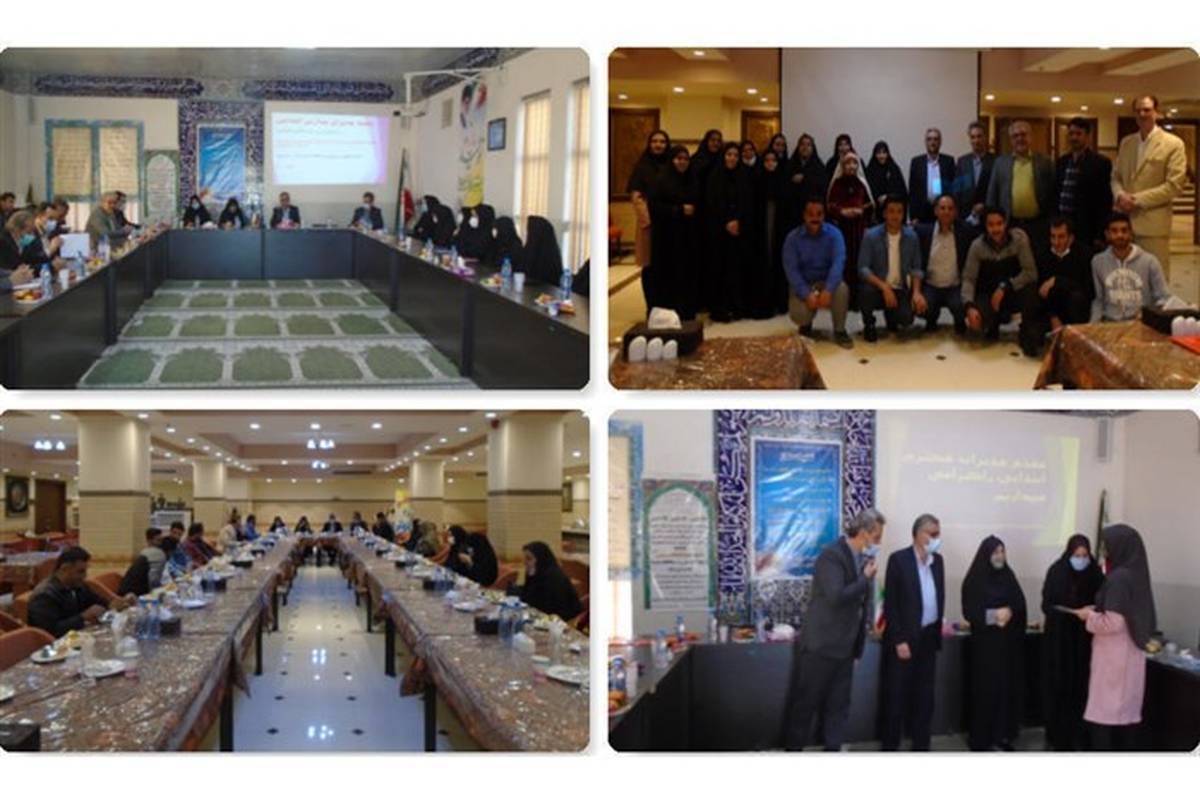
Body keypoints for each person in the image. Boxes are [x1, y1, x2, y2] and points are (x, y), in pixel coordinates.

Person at [783, 509, 883, 751]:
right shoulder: (832, 556)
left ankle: (833, 750)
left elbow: (859, 605)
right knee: (805, 706)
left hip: (845, 649)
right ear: (863, 533)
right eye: (877, 537)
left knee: (838, 708)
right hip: (821, 647)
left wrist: (858, 646)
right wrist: (864, 579)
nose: (879, 543)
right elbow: (836, 597)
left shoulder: (862, 560)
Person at [1077, 524, 1156, 751]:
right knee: (1125, 721)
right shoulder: (1137, 574)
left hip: (1113, 659)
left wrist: (1089, 616)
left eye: (1107, 545)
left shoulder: (1119, 578)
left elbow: (1112, 622)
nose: (1104, 551)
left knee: (1104, 719)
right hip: (1131, 654)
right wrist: (1097, 610)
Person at [881, 513, 946, 751]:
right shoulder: (899, 560)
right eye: (932, 534)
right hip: (905, 640)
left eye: (938, 534)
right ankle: (890, 747)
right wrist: (899, 639)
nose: (937, 538)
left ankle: (921, 746)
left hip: (928, 638)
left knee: (925, 698)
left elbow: (938, 595)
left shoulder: (938, 561)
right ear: (918, 534)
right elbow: (891, 605)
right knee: (897, 697)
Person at [962, 535, 1027, 751]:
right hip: (985, 648)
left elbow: (1020, 604)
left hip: (1007, 646)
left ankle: (1003, 736)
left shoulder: (1008, 576)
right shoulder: (974, 579)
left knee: (1005, 691)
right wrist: (993, 616)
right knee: (985, 691)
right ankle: (983, 739)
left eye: (1002, 551)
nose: (1000, 556)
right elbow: (970, 611)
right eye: (995, 552)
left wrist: (1010, 612)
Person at [1110, 95, 1187, 278]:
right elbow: (1115, 177)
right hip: (1124, 226)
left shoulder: (1173, 144)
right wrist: (1120, 195)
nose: (1142, 114)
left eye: (1147, 110)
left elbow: (1174, 186)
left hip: (1153, 227)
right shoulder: (1127, 142)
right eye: (1138, 111)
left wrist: (1135, 200)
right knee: (1128, 279)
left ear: (1157, 112)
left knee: (1155, 279)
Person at [1040, 533, 1105, 751]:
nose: (1081, 560)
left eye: (1085, 555)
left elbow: (1105, 603)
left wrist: (1091, 610)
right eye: (1077, 555)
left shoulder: (1096, 574)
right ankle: (1058, 735)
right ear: (1069, 554)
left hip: (1086, 641)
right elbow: (1047, 604)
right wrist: (1071, 612)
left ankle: (1082, 736)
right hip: (1060, 641)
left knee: (1083, 687)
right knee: (1060, 686)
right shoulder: (1056, 571)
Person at [962, 207, 1042, 357]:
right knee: (978, 322)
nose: (996, 229)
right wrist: (969, 306)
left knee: (1031, 291)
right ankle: (993, 324)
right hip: (988, 294)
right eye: (991, 224)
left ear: (1006, 223)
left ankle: (1027, 332)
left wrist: (1006, 286)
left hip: (1013, 291)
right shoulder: (976, 246)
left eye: (999, 223)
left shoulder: (1019, 240)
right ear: (985, 226)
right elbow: (969, 279)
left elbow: (1031, 273)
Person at [783, 197, 853, 348]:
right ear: (804, 215)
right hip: (805, 283)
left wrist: (828, 290)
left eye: (819, 214)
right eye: (810, 214)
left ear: (824, 215)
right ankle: (806, 325)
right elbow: (791, 271)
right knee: (799, 315)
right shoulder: (792, 239)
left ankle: (840, 330)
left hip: (827, 282)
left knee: (842, 289)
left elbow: (838, 264)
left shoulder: (835, 235)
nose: (815, 218)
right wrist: (806, 293)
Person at [28, 546, 134, 636]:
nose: (84, 576)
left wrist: (117, 604)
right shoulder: (44, 595)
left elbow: (99, 602)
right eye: (80, 571)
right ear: (65, 568)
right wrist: (82, 617)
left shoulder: (77, 586)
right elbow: (50, 632)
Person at [987, 120, 1055, 256]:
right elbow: (992, 194)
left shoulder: (1045, 162)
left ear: (1031, 137)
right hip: (1009, 224)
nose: (1020, 139)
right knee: (1011, 260)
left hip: (1037, 225)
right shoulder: (1000, 163)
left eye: (1023, 134)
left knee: (1038, 258)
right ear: (1011, 140)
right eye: (1015, 136)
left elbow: (1053, 193)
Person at [857, 195, 921, 341]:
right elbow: (863, 268)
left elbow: (917, 268)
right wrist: (884, 287)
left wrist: (917, 292)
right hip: (877, 287)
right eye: (891, 211)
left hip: (899, 288)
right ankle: (869, 323)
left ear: (903, 214)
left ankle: (891, 315)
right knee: (864, 293)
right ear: (884, 213)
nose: (895, 216)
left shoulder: (912, 237)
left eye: (899, 211)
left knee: (906, 319)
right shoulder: (870, 236)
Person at [648, 145, 700, 320]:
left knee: (687, 273)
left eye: (685, 159)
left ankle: (687, 312)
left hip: (689, 235)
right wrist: (678, 210)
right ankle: (669, 313)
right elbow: (654, 207)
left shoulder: (692, 179)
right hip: (667, 237)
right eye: (679, 159)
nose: (682, 162)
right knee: (669, 275)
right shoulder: (661, 180)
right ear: (672, 160)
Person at [703, 142, 754, 322]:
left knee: (738, 269)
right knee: (720, 269)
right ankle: (720, 308)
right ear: (723, 156)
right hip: (719, 231)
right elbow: (711, 203)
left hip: (740, 230)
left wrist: (738, 221)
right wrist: (726, 222)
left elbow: (749, 202)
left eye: (735, 155)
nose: (732, 158)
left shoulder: (745, 176)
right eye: (729, 154)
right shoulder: (714, 177)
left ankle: (737, 306)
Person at [1090, 212, 1172, 322]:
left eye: (1124, 230)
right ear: (1107, 234)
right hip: (1110, 323)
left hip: (1141, 323)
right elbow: (1098, 300)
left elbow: (1163, 297)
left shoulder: (1150, 261)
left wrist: (1149, 316)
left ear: (1131, 234)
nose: (1120, 235)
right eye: (1114, 231)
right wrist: (1094, 324)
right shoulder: (1098, 262)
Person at [914, 194, 970, 335]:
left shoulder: (965, 232)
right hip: (931, 285)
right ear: (935, 211)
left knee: (961, 306)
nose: (946, 212)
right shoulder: (923, 232)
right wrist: (917, 291)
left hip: (955, 286)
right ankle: (931, 319)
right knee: (921, 307)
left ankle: (959, 320)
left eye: (950, 208)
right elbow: (916, 264)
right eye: (942, 208)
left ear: (956, 212)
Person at [1055, 117, 1113, 253]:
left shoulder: (1100, 163)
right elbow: (1056, 193)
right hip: (1063, 225)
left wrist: (1100, 234)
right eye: (1071, 133)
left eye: (1078, 133)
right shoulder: (1061, 162)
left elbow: (1105, 201)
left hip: (1086, 228)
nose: (1074, 137)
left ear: (1087, 136)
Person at [827, 151, 873, 308]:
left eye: (854, 163)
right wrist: (842, 212)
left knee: (859, 262)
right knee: (843, 262)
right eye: (848, 163)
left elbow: (870, 205)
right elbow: (830, 206)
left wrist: (860, 210)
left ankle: (858, 301)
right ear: (842, 165)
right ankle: (842, 300)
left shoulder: (861, 183)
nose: (851, 166)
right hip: (841, 230)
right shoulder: (837, 183)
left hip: (859, 230)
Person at [753, 148, 796, 317]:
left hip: (780, 228)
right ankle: (764, 303)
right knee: (763, 262)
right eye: (767, 160)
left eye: (774, 160)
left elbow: (789, 206)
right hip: (761, 227)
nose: (770, 163)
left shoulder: (783, 180)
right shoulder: (757, 180)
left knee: (779, 262)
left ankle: (780, 302)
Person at [1035, 217, 1094, 331]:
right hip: (1050, 309)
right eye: (1053, 237)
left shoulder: (1084, 254)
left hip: (1074, 307)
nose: (1056, 242)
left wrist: (1057, 280)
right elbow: (1041, 290)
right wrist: (1053, 316)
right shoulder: (1042, 255)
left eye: (1061, 237)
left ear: (1071, 238)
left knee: (1077, 297)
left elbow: (1087, 289)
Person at [518, 541, 583, 622]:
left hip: (563, 622)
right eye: (525, 558)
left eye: (529, 559)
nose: (524, 562)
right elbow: (530, 595)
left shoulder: (554, 579)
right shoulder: (535, 572)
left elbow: (550, 609)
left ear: (541, 559)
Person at [908, 128, 956, 224]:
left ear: (940, 142)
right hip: (922, 213)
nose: (932, 142)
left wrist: (952, 213)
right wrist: (913, 216)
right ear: (925, 142)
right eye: (929, 139)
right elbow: (912, 191)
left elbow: (953, 188)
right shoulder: (916, 162)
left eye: (935, 139)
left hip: (943, 211)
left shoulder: (948, 161)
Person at [955, 121, 995, 230]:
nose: (976, 140)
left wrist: (985, 205)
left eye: (979, 136)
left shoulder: (995, 161)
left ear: (985, 138)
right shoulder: (962, 161)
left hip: (988, 217)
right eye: (973, 137)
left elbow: (998, 190)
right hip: (965, 218)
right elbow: (957, 190)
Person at [864, 141, 907, 218]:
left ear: (888, 154)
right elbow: (867, 192)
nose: (881, 156)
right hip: (875, 213)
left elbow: (902, 191)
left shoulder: (894, 169)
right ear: (875, 155)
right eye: (878, 153)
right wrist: (877, 199)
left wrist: (888, 197)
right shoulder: (870, 170)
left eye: (884, 153)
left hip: (893, 211)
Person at [0, 210, 38, 291]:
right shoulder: (3, 242)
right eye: (28, 232)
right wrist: (10, 280)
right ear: (18, 229)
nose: (31, 235)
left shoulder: (21, 242)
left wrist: (15, 272)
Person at [788, 133, 828, 205]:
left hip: (812, 206)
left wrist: (805, 178)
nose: (805, 147)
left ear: (813, 148)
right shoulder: (790, 165)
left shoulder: (819, 166)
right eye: (802, 144)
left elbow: (822, 186)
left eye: (808, 145)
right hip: (792, 205)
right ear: (798, 147)